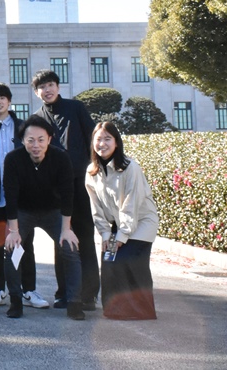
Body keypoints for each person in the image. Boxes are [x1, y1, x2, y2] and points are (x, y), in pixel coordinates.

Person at [3, 116, 84, 321]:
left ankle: (74, 302)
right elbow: (10, 197)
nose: (36, 145)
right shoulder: (13, 159)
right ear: (23, 141)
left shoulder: (61, 158)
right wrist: (13, 232)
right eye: (30, 140)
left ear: (49, 139)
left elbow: (68, 194)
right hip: (24, 211)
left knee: (70, 247)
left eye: (41, 139)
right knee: (12, 249)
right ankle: (15, 301)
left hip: (53, 212)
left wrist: (66, 229)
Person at [32, 69, 100, 310]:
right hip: (55, 189)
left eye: (51, 84)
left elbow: (93, 139)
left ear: (58, 87)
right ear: (36, 92)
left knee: (85, 237)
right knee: (61, 239)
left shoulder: (76, 108)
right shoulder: (37, 118)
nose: (47, 89)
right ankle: (64, 292)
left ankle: (89, 294)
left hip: (81, 183)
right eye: (42, 86)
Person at [0, 83, 45, 309]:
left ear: (9, 101)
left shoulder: (23, 128)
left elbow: (36, 160)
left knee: (25, 244)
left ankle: (29, 290)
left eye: (2, 97)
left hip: (22, 199)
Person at [85, 121, 159, 320]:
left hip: (142, 221)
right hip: (119, 223)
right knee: (109, 261)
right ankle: (114, 309)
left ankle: (141, 310)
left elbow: (131, 203)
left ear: (117, 142)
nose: (103, 144)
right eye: (98, 139)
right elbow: (96, 209)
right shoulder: (92, 171)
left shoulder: (130, 167)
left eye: (108, 139)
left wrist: (122, 235)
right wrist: (105, 234)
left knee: (128, 260)